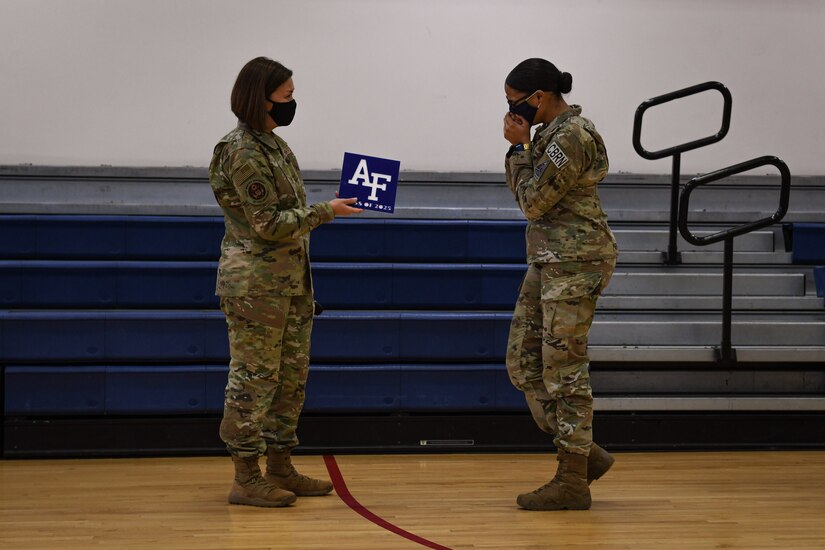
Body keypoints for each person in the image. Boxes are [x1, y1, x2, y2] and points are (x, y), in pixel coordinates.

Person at [208, 56, 363, 507]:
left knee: (289, 380)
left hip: (291, 284)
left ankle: (279, 466)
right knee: (253, 381)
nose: (293, 104)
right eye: (287, 97)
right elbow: (268, 224)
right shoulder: (242, 150)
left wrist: (327, 207)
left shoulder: (273, 144)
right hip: (255, 286)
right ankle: (246, 476)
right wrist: (326, 212)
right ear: (262, 98)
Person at [502, 58, 618, 511]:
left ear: (539, 98)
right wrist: (524, 148)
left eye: (515, 102)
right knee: (521, 361)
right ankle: (583, 453)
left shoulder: (567, 137)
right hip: (551, 260)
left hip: (576, 261)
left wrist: (516, 149)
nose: (510, 110)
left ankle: (572, 477)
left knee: (564, 370)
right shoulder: (551, 136)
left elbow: (532, 201)